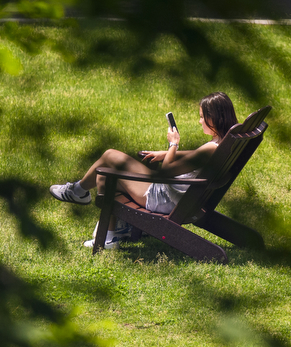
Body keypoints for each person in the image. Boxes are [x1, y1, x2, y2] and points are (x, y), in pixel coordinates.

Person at [49, 92, 240, 247]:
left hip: (165, 197)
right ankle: (83, 196)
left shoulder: (211, 149)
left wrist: (173, 145)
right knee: (111, 158)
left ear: (214, 117)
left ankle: (104, 231)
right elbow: (196, 158)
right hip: (179, 195)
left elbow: (167, 171)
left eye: (202, 117)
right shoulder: (224, 143)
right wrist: (164, 153)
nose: (200, 121)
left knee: (107, 172)